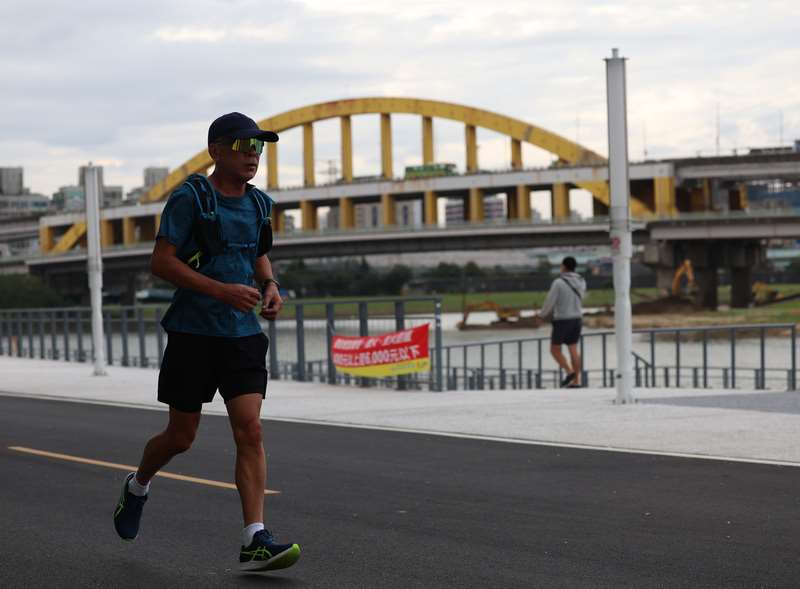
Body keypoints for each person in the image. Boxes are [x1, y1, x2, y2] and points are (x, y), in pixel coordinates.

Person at [112, 112, 300, 572]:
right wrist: (221, 291)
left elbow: (258, 254)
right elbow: (161, 262)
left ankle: (254, 537)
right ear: (216, 150)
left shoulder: (260, 205)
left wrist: (271, 287)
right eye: (243, 146)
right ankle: (136, 485)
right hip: (193, 334)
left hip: (241, 336)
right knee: (181, 436)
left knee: (250, 429)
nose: (252, 156)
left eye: (259, 147)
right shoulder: (189, 197)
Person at [540, 256, 586, 388]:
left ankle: (569, 371)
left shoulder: (558, 282)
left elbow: (550, 301)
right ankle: (576, 381)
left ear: (564, 266)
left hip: (562, 320)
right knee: (573, 348)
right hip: (577, 319)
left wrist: (542, 315)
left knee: (554, 350)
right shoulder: (582, 281)